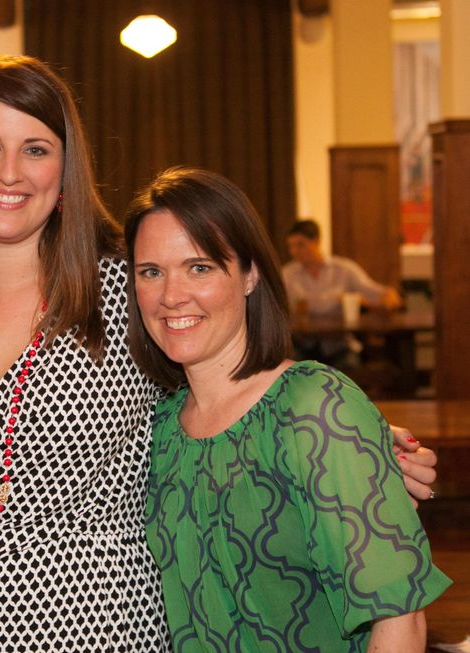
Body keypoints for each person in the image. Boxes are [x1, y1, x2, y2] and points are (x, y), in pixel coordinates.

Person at [0, 54, 437, 651]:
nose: (10, 172)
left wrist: (352, 447)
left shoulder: (127, 283)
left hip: (101, 625)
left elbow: (229, 391)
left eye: (35, 149)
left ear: (65, 170)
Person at [125, 167, 450, 652]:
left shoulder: (314, 407)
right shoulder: (157, 426)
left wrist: (351, 434)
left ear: (250, 274)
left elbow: (399, 622)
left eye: (200, 267)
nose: (172, 295)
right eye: (151, 271)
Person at [283, 218, 403, 365]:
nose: (294, 251)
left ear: (316, 241)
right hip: (302, 345)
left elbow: (376, 292)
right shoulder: (287, 274)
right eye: (291, 247)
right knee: (290, 372)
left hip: (339, 345)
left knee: (349, 370)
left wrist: (387, 296)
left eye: (300, 245)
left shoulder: (344, 269)